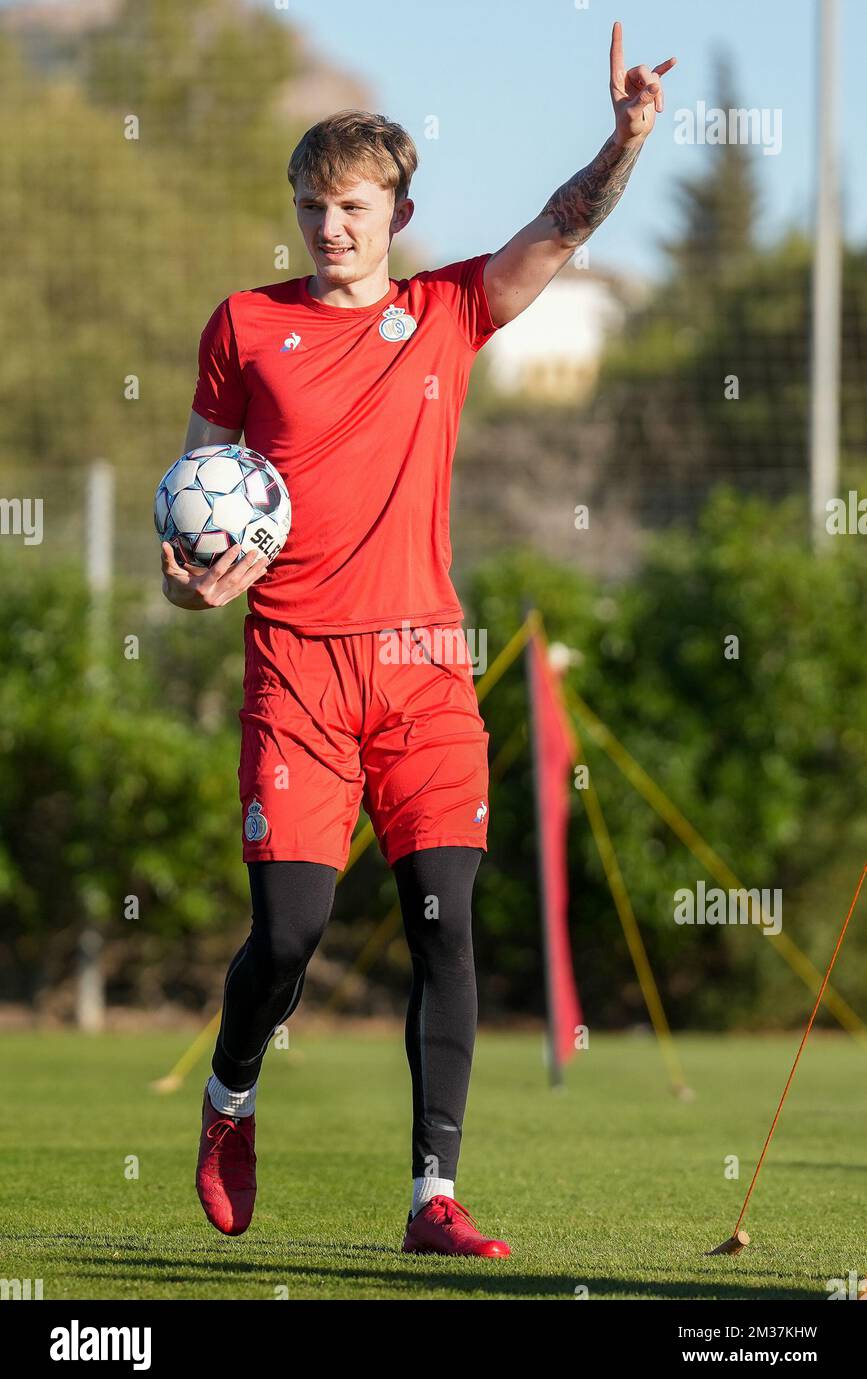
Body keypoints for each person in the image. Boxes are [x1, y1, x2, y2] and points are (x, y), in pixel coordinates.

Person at [160, 22, 674, 1259]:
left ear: (395, 209)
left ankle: (430, 1196)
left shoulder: (450, 310)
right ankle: (230, 1102)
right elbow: (193, 496)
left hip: (426, 672)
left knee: (447, 922)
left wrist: (625, 139)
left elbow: (565, 223)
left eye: (347, 203)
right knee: (286, 933)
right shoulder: (242, 325)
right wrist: (190, 592)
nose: (325, 224)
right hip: (296, 665)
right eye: (309, 203)